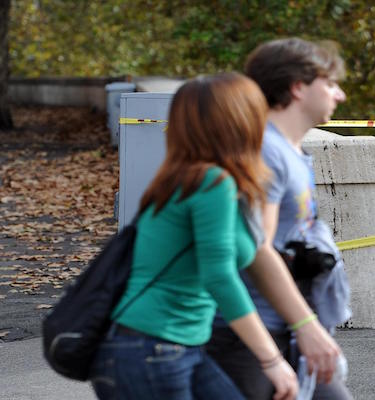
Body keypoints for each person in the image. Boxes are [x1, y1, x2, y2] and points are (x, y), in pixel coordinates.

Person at [89, 73, 299, 400]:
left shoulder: (185, 176)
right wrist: (271, 359)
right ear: (237, 120)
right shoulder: (211, 183)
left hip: (172, 346)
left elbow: (252, 249)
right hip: (152, 348)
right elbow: (219, 276)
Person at [206, 38, 353, 399]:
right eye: (330, 83)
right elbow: (257, 249)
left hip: (279, 326)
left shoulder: (289, 150)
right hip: (249, 337)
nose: (340, 95)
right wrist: (306, 325)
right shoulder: (266, 151)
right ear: (298, 87)